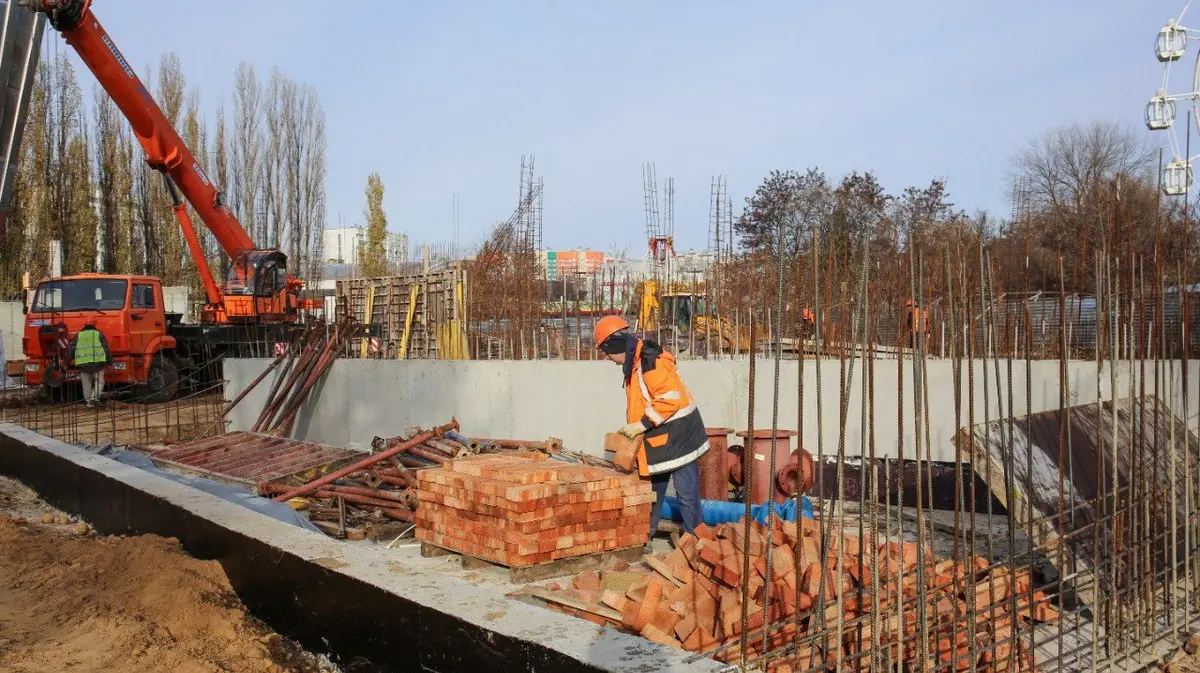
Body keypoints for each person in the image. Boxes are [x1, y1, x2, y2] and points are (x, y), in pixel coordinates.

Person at [593, 315, 706, 550]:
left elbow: (672, 399)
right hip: (660, 436)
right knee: (653, 490)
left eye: (607, 354)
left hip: (680, 436)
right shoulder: (635, 362)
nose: (609, 360)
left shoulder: (650, 362)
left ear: (613, 346)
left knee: (686, 492)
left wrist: (640, 425)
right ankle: (645, 536)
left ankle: (695, 543)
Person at [70, 320, 112, 408]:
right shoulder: (98, 334)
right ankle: (94, 398)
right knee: (100, 382)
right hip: (97, 363)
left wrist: (67, 361)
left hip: (82, 364)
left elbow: (72, 349)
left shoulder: (79, 335)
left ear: (84, 325)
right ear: (95, 325)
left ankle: (89, 403)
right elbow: (106, 348)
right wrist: (110, 361)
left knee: (86, 384)